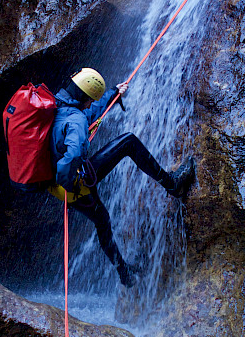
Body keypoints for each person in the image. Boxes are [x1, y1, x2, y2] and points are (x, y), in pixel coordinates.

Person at [47, 68, 196, 287]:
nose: (89, 104)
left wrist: (113, 94)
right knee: (128, 142)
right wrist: (71, 183)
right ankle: (172, 184)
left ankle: (124, 273)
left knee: (103, 221)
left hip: (57, 188)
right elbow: (73, 155)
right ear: (84, 96)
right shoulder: (76, 119)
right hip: (74, 185)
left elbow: (88, 113)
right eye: (90, 101)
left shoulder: (59, 105)